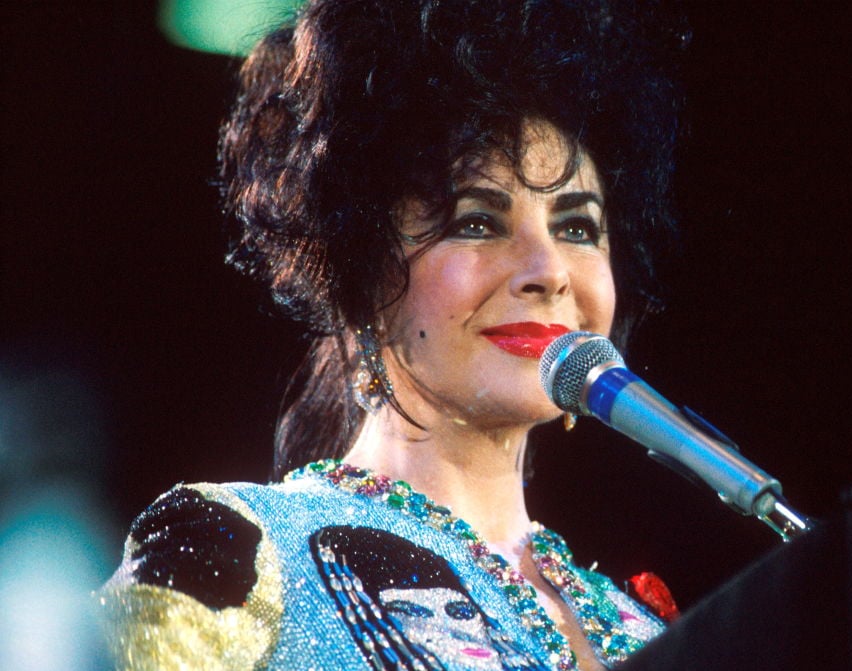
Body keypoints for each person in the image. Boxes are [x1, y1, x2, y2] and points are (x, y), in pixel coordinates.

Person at [99, 1, 682, 669]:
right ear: (359, 268)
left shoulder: (640, 627)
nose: (547, 270)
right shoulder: (234, 553)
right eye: (478, 222)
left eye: (577, 228)